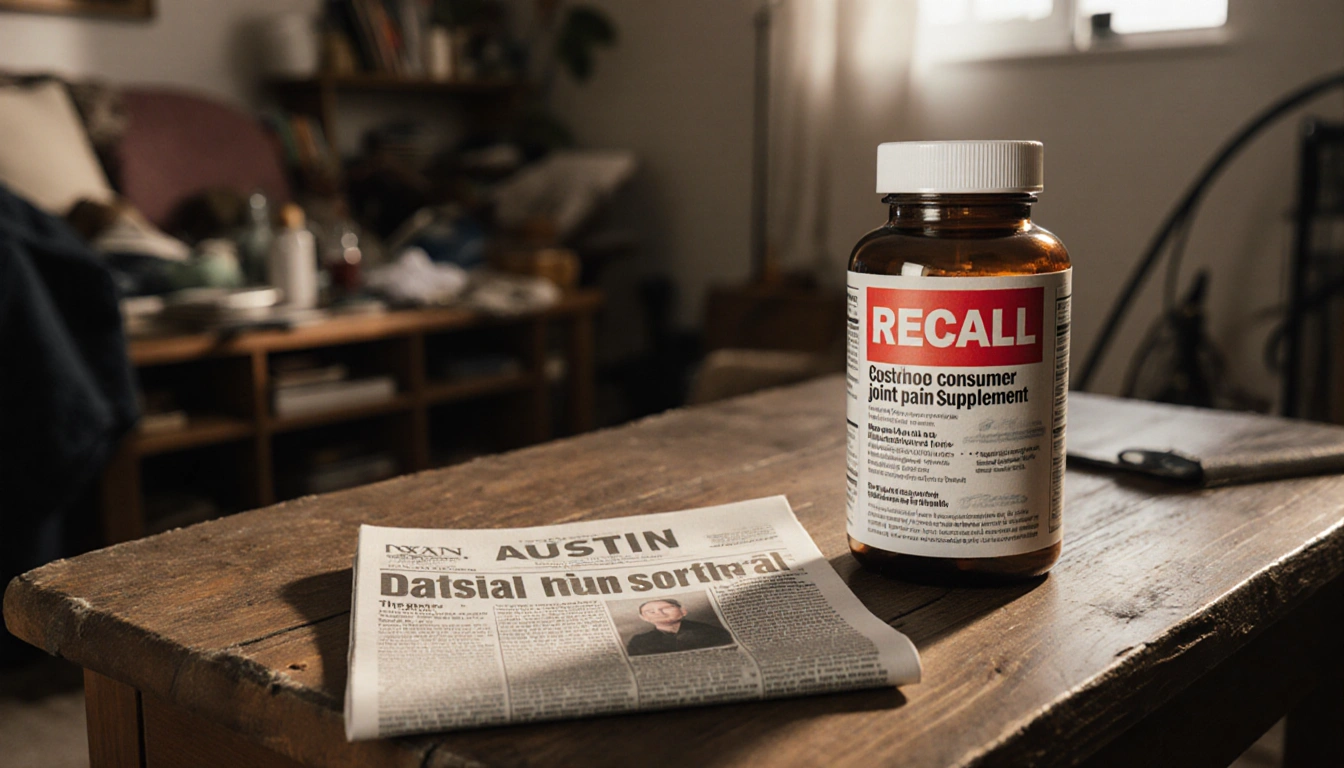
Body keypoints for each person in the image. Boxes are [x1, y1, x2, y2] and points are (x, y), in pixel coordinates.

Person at [625, 598, 733, 656]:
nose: (659, 613)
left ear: (683, 611)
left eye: (666, 608)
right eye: (651, 611)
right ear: (644, 618)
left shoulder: (711, 632)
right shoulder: (639, 642)